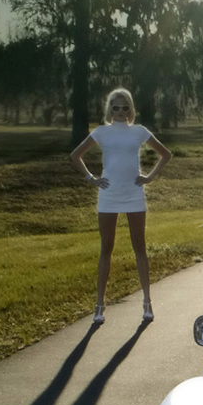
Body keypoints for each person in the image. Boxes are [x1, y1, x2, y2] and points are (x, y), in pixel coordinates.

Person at [69, 87, 172, 325]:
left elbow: (165, 154)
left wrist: (150, 177)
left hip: (134, 193)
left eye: (125, 107)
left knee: (140, 247)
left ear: (130, 109)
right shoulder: (101, 132)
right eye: (116, 107)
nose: (121, 111)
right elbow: (75, 156)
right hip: (109, 195)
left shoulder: (139, 131)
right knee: (106, 248)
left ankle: (147, 302)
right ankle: (99, 305)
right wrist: (91, 178)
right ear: (110, 109)